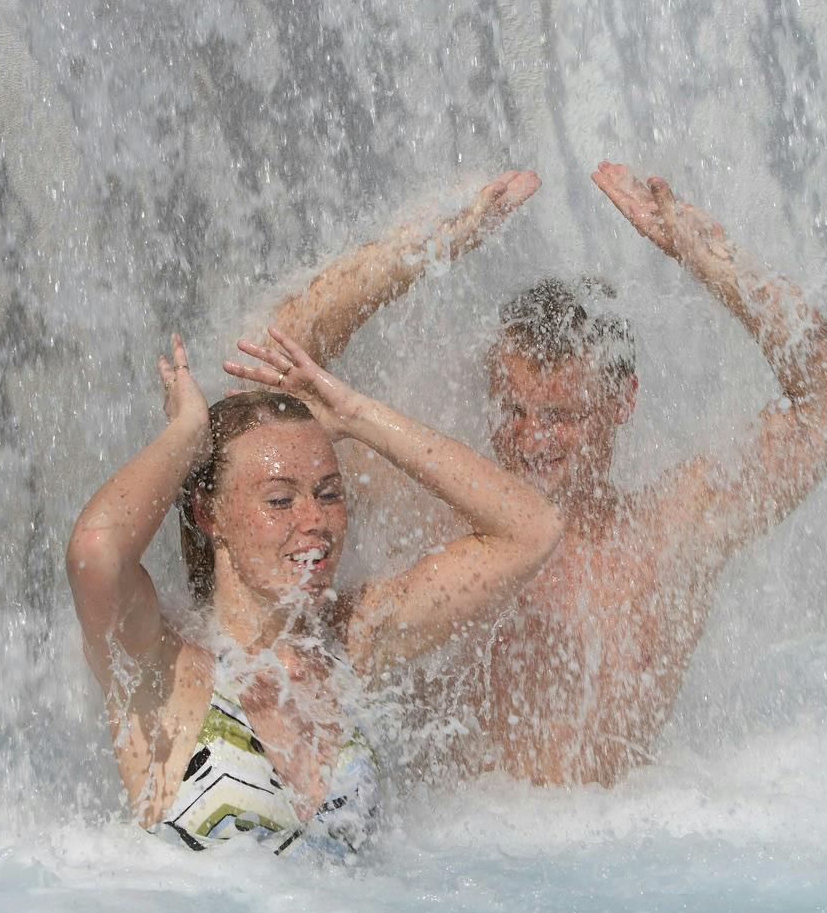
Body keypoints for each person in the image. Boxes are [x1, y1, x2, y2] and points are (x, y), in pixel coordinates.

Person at [268, 163, 827, 786]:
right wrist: (418, 250)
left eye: (561, 417)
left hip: (606, 857)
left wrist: (712, 261)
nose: (531, 439)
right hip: (459, 857)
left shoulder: (668, 533)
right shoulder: (438, 508)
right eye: (513, 410)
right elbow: (267, 374)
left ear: (623, 401)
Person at [65, 327, 562, 856]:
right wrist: (189, 432)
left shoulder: (355, 637)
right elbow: (97, 551)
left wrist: (358, 417)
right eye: (280, 501)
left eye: (329, 494)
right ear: (210, 514)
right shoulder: (164, 666)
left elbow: (532, 530)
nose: (315, 520)